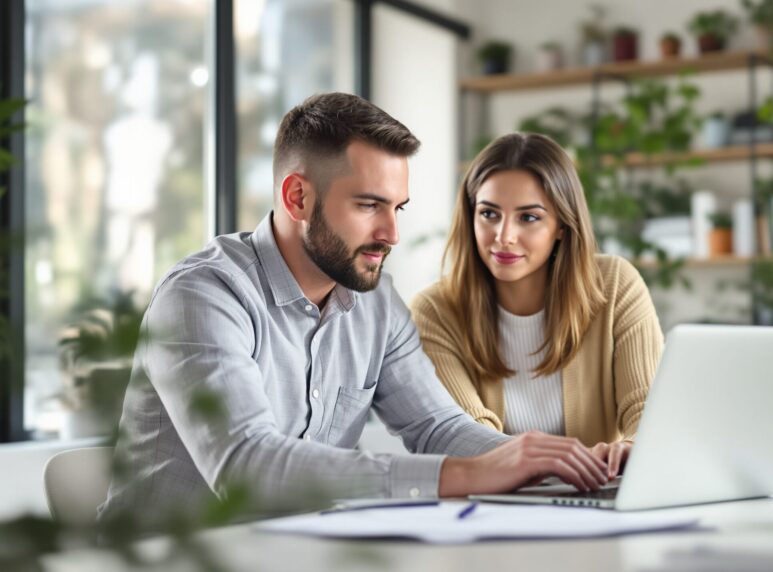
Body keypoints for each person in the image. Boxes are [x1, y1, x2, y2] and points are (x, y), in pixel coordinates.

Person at [98, 94, 610, 528]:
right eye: (369, 206)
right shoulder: (204, 295)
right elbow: (245, 466)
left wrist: (552, 462)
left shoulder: (376, 304)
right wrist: (464, 475)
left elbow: (437, 428)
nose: (391, 234)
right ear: (297, 197)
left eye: (397, 208)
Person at [411, 132, 664, 480]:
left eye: (528, 217)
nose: (504, 236)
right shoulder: (434, 311)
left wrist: (635, 447)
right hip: (495, 508)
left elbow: (648, 407)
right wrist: (543, 464)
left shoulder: (616, 284)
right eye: (489, 214)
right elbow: (463, 435)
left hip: (600, 502)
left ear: (561, 224)